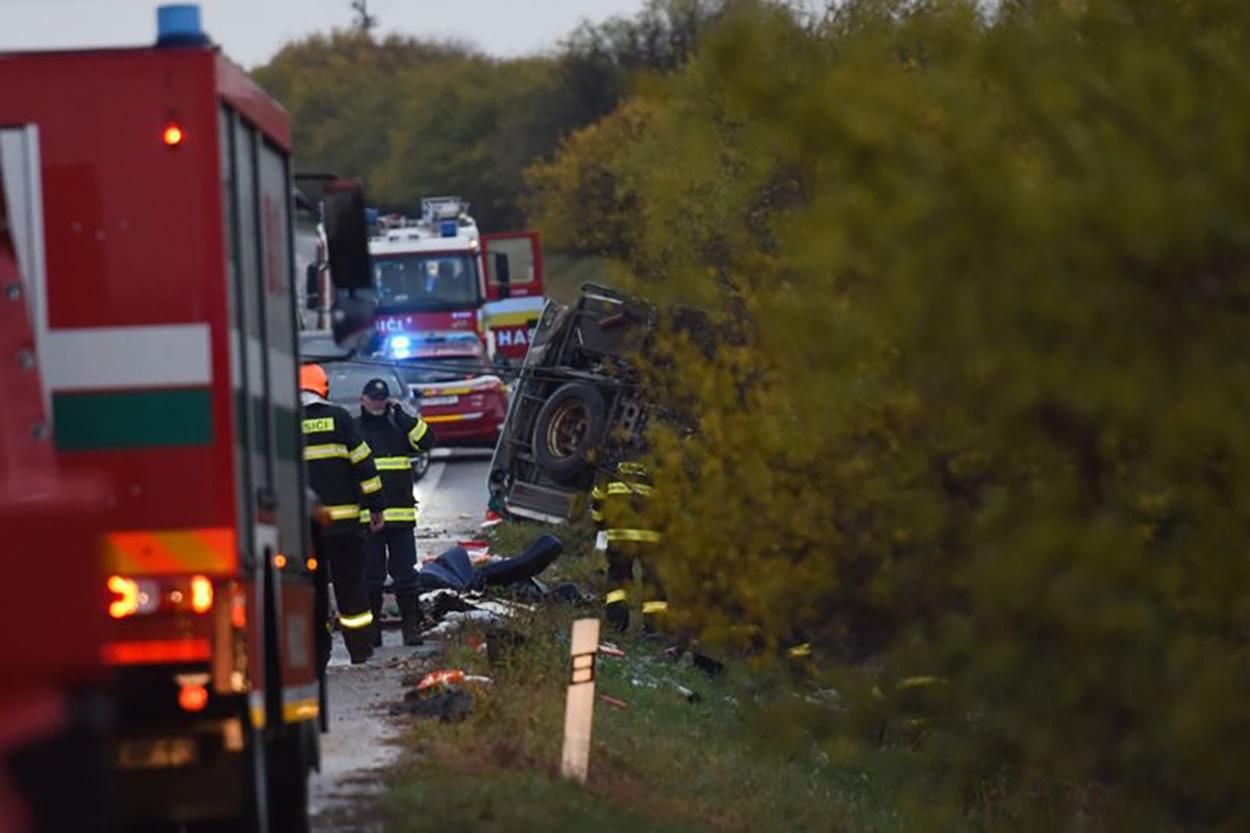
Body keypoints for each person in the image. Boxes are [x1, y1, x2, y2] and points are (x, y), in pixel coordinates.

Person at [300, 363, 385, 665]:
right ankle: (360, 650)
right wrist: (376, 506)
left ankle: (317, 656)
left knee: (310, 593)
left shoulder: (284, 421)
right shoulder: (340, 418)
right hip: (345, 526)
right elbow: (365, 465)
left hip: (303, 530)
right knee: (351, 587)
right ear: (323, 388)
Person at [355, 378, 435, 646]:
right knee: (371, 577)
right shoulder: (354, 429)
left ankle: (411, 628)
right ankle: (373, 630)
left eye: (381, 399)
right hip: (368, 517)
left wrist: (403, 415)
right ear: (363, 399)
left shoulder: (399, 425)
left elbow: (427, 441)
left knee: (406, 576)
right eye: (373, 398)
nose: (377, 403)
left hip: (400, 515)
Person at [591, 461, 667, 634]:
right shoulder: (656, 466)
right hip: (650, 537)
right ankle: (655, 629)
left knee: (618, 577)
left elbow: (598, 498)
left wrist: (599, 524)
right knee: (654, 582)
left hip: (620, 535)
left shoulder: (611, 466)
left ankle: (617, 622)